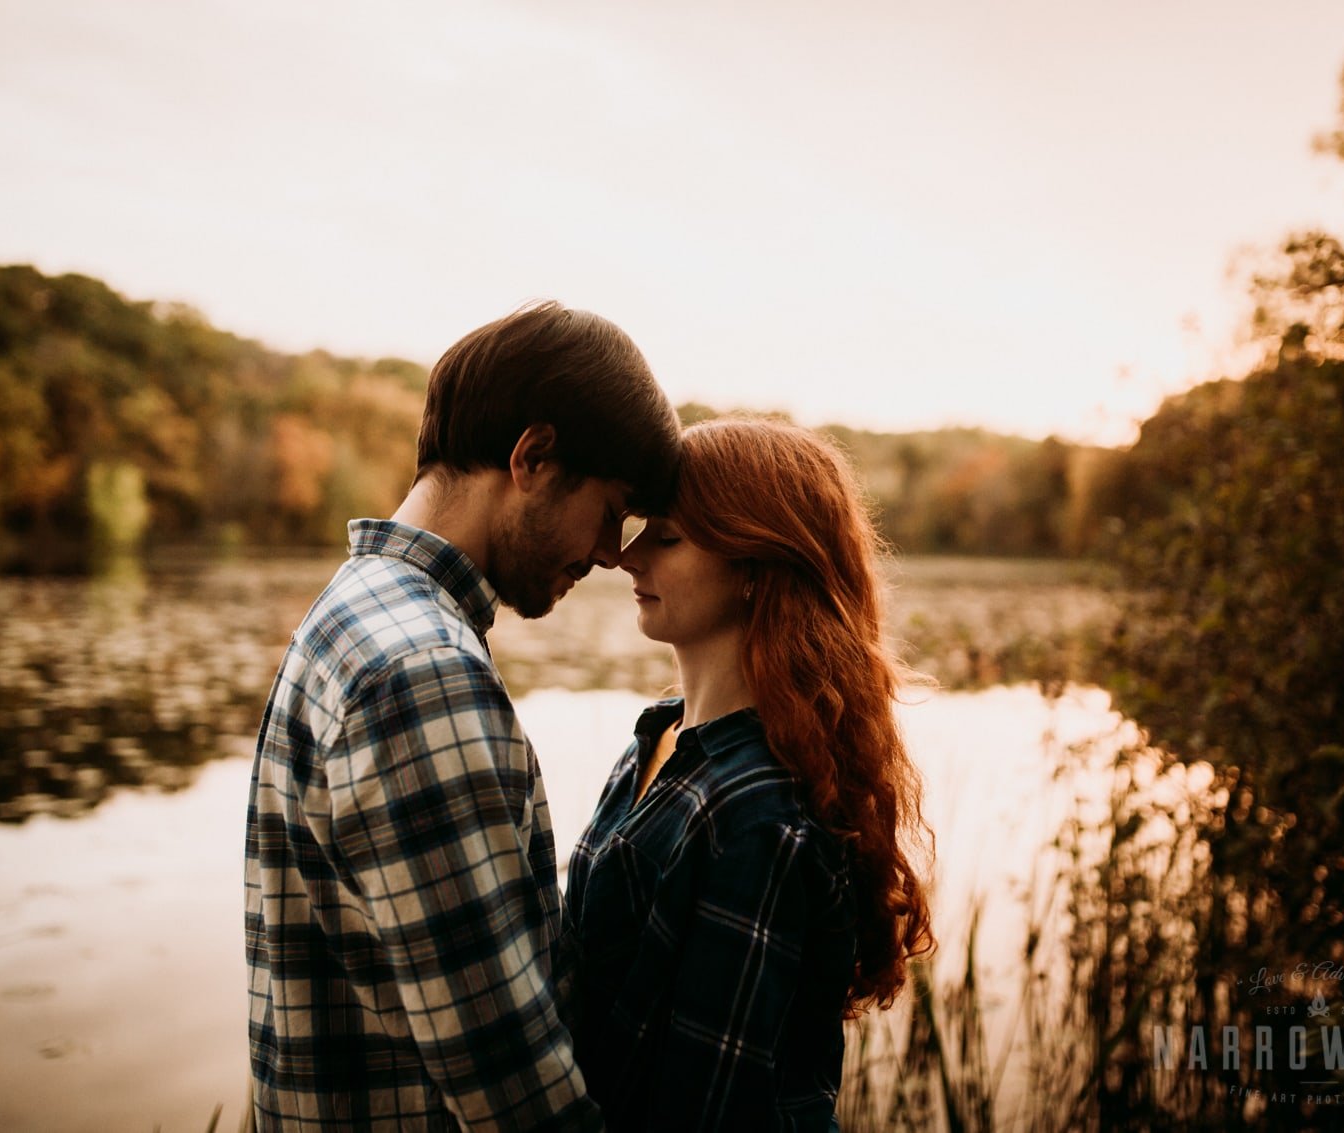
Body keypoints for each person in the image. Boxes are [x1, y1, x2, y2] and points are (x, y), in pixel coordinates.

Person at [244, 300, 681, 1131]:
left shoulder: (352, 613)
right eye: (612, 507)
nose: (608, 551)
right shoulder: (422, 671)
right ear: (533, 457)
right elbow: (517, 1093)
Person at [564, 417, 936, 1131]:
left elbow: (711, 1105)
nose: (626, 556)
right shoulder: (660, 735)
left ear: (754, 571)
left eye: (665, 537)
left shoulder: (759, 812)